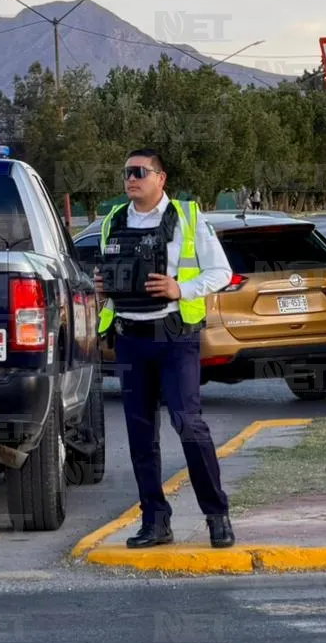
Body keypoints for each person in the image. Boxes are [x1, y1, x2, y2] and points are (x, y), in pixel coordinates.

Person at [94, 149, 236, 549]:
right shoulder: (113, 221)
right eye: (127, 172)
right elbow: (110, 271)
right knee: (140, 435)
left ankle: (216, 516)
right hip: (130, 337)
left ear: (161, 178)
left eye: (140, 172)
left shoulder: (188, 218)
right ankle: (155, 521)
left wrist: (181, 289)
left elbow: (221, 272)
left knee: (188, 425)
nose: (131, 178)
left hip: (174, 337)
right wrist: (104, 285)